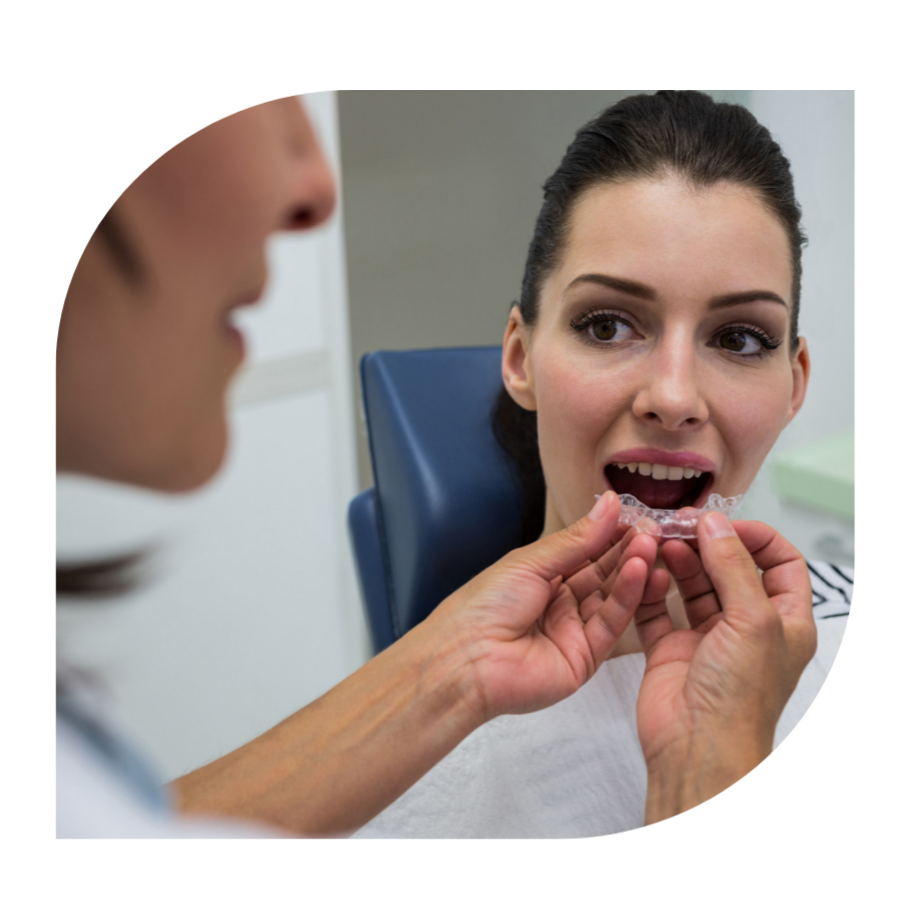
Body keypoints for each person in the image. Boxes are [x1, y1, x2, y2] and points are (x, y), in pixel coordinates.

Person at [55, 93, 825, 840]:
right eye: (607, 324)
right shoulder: (409, 787)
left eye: (740, 339)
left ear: (794, 386)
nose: (674, 396)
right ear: (520, 359)